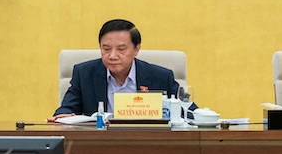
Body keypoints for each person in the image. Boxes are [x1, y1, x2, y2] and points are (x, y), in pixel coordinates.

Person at [52, 19, 186, 119]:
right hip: (99, 145)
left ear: (136, 49)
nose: (112, 56)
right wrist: (63, 116)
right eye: (106, 49)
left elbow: (188, 111)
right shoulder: (84, 74)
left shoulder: (161, 77)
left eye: (121, 49)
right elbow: (66, 110)